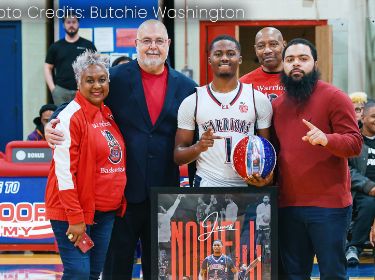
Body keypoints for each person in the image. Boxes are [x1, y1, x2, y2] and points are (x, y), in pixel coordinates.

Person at [45, 19, 197, 280]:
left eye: (159, 41)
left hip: (165, 197)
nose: (153, 47)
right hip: (121, 198)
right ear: (136, 44)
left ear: (168, 44)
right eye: (146, 41)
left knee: (160, 270)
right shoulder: (114, 78)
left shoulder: (187, 87)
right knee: (116, 269)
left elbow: (194, 136)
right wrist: (53, 122)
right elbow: (80, 101)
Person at [272, 38, 362, 279]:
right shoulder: (278, 105)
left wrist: (327, 139)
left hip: (329, 207)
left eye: (303, 59)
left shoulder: (335, 97)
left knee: (332, 273)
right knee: (293, 275)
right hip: (288, 205)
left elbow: (355, 143)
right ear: (283, 65)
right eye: (290, 60)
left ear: (315, 62)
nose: (296, 64)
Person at [45, 50, 126, 279]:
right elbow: (64, 174)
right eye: (89, 80)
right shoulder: (70, 117)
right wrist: (76, 218)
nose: (97, 85)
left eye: (102, 79)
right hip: (74, 213)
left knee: (92, 273)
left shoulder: (107, 113)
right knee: (78, 273)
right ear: (78, 82)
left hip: (104, 212)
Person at [174, 35, 273, 188]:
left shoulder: (258, 99)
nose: (225, 58)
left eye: (231, 53)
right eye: (218, 54)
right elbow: (178, 156)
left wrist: (267, 177)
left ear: (239, 59)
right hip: (207, 184)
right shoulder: (192, 101)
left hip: (247, 184)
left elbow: (268, 150)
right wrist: (198, 147)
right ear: (209, 60)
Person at [44, 11, 96, 106]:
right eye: (68, 22)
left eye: (74, 22)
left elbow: (96, 66)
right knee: (63, 119)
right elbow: (47, 67)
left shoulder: (88, 45)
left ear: (78, 24)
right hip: (61, 91)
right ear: (63, 25)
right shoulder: (56, 46)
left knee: (84, 118)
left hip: (83, 89)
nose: (71, 25)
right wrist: (53, 89)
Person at [345, 101, 375, 266]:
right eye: (373, 116)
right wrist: (368, 186)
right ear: (362, 118)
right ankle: (353, 247)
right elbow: (346, 169)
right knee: (370, 203)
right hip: (360, 192)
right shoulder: (353, 140)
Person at [240, 27, 286, 102]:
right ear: (255, 50)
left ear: (284, 45)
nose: (267, 50)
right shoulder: (244, 85)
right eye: (261, 46)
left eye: (273, 44)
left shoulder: (298, 79)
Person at [158, 194, 184, 279]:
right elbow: (174, 207)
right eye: (164, 209)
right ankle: (165, 275)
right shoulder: (166, 216)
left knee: (162, 262)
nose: (166, 209)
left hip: (159, 243)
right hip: (165, 244)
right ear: (163, 210)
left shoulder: (156, 217)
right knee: (166, 261)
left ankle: (163, 275)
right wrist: (178, 198)